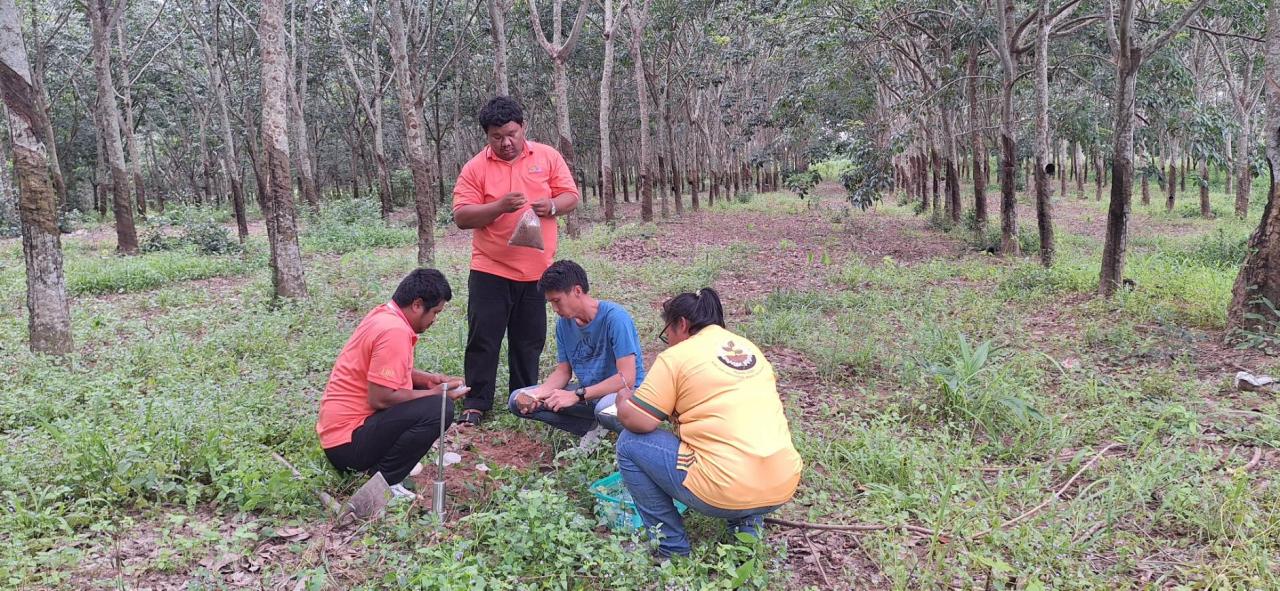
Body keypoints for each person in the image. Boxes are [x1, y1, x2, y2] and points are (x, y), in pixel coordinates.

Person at [615, 288, 803, 557]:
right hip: (782, 483)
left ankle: (670, 548)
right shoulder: (749, 348)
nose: (668, 341)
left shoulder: (677, 356)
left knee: (629, 443)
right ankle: (746, 539)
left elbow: (638, 421)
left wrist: (623, 400)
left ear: (681, 324)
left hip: (723, 491)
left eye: (667, 333)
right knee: (740, 439)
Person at [452, 96, 580, 427]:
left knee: (528, 340)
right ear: (487, 136)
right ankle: (476, 402)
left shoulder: (547, 157)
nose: (506, 143)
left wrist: (552, 206)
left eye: (512, 134)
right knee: (484, 338)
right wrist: (499, 207)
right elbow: (462, 216)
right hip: (489, 269)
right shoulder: (475, 168)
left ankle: (522, 398)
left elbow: (571, 196)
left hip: (537, 271)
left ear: (523, 127)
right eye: (497, 137)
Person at [316, 269, 469, 499]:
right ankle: (385, 481)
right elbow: (381, 397)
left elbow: (386, 371)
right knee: (439, 408)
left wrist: (429, 380)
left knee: (431, 397)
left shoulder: (383, 315)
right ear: (417, 305)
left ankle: (380, 469)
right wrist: (438, 394)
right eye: (435, 313)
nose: (434, 320)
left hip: (339, 437)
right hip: (348, 445)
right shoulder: (394, 331)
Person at [508, 260, 645, 437]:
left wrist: (577, 395)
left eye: (557, 301)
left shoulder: (615, 318)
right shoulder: (563, 325)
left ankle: (611, 430)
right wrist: (538, 394)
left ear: (577, 291)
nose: (555, 309)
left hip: (623, 396)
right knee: (516, 400)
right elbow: (563, 372)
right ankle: (594, 428)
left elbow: (626, 378)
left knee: (604, 408)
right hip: (588, 396)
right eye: (550, 303)